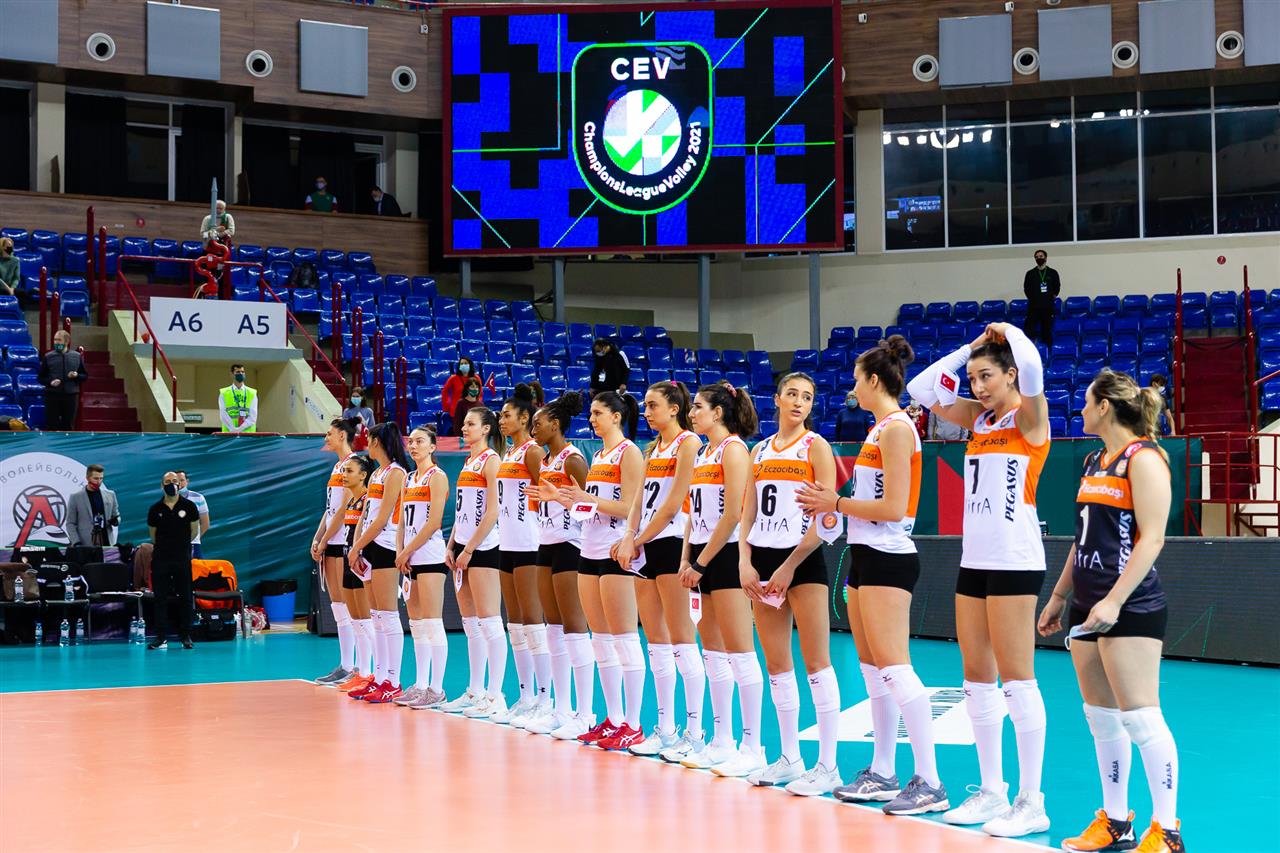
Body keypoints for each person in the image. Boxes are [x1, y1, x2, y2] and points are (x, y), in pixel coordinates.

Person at [907, 321, 1052, 838]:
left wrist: (1008, 330)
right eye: (972, 379)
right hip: (976, 559)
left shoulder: (1030, 418)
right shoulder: (978, 420)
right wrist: (968, 349)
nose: (978, 386)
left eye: (987, 375)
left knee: (1017, 678)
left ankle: (1031, 800)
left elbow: (1032, 365)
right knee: (976, 678)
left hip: (1016, 559)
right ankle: (992, 790)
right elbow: (921, 388)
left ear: (1011, 375)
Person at [800, 338, 948, 815]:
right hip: (863, 555)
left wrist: (836, 502)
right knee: (873, 671)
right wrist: (832, 505)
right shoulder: (878, 429)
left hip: (889, 557)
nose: (853, 388)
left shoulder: (898, 429)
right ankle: (883, 772)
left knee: (896, 668)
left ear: (875, 381)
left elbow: (894, 507)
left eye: (857, 380)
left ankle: (930, 780)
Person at [1039, 370, 1183, 853]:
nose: (1080, 410)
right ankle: (1117, 824)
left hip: (1130, 606)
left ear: (1104, 407)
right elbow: (1082, 539)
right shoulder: (1092, 460)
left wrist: (1115, 599)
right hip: (1086, 605)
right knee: (1100, 718)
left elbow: (1153, 539)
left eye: (1086, 403)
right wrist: (1060, 596)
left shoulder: (1145, 460)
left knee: (1141, 718)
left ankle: (1168, 832)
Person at [741, 373, 843, 796]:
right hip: (762, 559)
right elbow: (748, 511)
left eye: (808, 397)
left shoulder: (815, 446)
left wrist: (789, 565)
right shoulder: (760, 450)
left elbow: (826, 516)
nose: (800, 402)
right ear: (778, 399)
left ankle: (829, 765)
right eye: (793, 394)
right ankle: (790, 757)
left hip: (802, 558)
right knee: (777, 665)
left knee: (817, 662)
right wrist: (745, 560)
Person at [540, 391, 645, 750]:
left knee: (624, 639)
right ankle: (613, 719)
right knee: (600, 641)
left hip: (616, 550)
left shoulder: (629, 452)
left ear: (616, 416)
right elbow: (591, 507)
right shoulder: (599, 455)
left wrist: (589, 499)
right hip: (589, 547)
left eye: (599, 413)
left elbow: (630, 507)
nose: (592, 419)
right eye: (592, 414)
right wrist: (563, 498)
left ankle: (633, 723)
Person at [678, 382, 763, 777]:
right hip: (700, 555)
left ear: (718, 412)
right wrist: (686, 558)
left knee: (740, 652)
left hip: (726, 555)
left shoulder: (734, 449)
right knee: (713, 653)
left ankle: (753, 747)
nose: (692, 413)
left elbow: (733, 514)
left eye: (698, 407)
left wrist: (701, 562)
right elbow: (692, 514)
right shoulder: (703, 453)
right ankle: (722, 741)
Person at [614, 381, 703, 759]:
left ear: (674, 408)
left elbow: (672, 504)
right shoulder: (654, 448)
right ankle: (665, 729)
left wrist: (637, 539)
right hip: (645, 545)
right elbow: (639, 500)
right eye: (646, 406)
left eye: (653, 405)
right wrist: (629, 535)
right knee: (657, 643)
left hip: (671, 543)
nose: (647, 412)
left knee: (682, 639)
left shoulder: (688, 443)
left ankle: (695, 733)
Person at [523, 393, 593, 738]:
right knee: (553, 628)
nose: (533, 429)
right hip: (546, 543)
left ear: (555, 424)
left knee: (574, 627)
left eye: (538, 423)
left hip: (570, 545)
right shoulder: (545, 461)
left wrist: (562, 501)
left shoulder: (573, 459)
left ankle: (585, 713)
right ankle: (561, 709)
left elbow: (590, 508)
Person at [440, 407, 506, 717]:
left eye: (470, 424)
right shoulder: (469, 461)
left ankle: (495, 696)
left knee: (490, 622)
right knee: (471, 624)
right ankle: (475, 690)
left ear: (486, 428)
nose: (464, 428)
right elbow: (463, 510)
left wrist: (470, 548)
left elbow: (492, 511)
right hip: (463, 547)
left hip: (484, 548)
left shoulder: (492, 461)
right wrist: (452, 544)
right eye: (464, 423)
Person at [494, 385, 549, 726]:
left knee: (532, 621)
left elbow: (549, 492)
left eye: (507, 415)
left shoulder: (532, 452)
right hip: (507, 544)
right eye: (500, 416)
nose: (501, 420)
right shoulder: (508, 454)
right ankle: (526, 696)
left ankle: (545, 699)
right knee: (515, 624)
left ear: (525, 418)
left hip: (529, 542)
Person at [347, 422, 410, 704]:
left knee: (388, 615)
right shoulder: (377, 473)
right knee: (376, 617)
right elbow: (366, 514)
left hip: (385, 546)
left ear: (378, 442)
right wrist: (356, 547)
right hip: (369, 546)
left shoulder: (396, 472)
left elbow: (384, 518)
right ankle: (380, 677)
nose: (365, 443)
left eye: (369, 439)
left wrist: (357, 547)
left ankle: (393, 682)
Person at [394, 425, 450, 710]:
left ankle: (436, 689)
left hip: (429, 557)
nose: (413, 446)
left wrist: (407, 551)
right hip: (409, 559)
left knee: (431, 622)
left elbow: (434, 522)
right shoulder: (409, 478)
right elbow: (402, 521)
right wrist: (400, 551)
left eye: (419, 441)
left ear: (432, 446)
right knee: (416, 625)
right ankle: (420, 684)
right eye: (411, 442)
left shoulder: (437, 477)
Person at [310, 418, 360, 687]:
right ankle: (346, 664)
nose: (326, 438)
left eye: (329, 434)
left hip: (343, 541)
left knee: (350, 607)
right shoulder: (337, 467)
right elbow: (330, 509)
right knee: (338, 607)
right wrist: (318, 537)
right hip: (331, 540)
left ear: (342, 435)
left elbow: (344, 510)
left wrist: (326, 539)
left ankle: (357, 666)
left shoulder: (353, 464)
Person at [335, 455, 379, 695]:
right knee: (356, 622)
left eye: (350, 471)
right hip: (347, 559)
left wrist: (359, 553)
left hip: (361, 561)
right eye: (344, 471)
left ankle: (376, 674)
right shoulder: (351, 501)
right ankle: (362, 672)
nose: (345, 475)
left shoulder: (367, 499)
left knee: (367, 620)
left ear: (363, 475)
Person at [146, 472, 200, 651]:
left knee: (185, 597)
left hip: (182, 558)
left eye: (175, 481)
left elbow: (194, 531)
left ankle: (186, 636)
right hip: (161, 559)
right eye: (168, 482)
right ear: (162, 486)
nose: (172, 484)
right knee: (160, 598)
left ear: (180, 484)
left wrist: (180, 545)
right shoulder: (155, 509)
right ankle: (161, 637)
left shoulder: (189, 506)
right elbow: (153, 535)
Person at [39, 329, 87, 431]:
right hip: (52, 395)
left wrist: (76, 375)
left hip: (71, 395)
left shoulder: (76, 356)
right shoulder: (48, 357)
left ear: (66, 341)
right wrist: (50, 382)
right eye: (55, 340)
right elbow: (40, 378)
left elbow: (84, 376)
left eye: (59, 340)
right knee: (52, 425)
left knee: (68, 425)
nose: (56, 342)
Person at [65, 463, 119, 547]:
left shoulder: (110, 495)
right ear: (87, 478)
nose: (99, 482)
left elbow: (117, 516)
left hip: (107, 541)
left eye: (101, 478)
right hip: (86, 544)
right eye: (96, 478)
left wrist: (116, 521)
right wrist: (76, 542)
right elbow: (70, 523)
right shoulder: (75, 497)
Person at [1022, 249, 1061, 347]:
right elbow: (1026, 288)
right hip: (1034, 307)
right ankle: (1030, 349)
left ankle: (1048, 350)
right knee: (1029, 329)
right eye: (1037, 257)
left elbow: (1057, 287)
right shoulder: (1030, 273)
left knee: (1047, 331)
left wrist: (1051, 297)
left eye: (1041, 256)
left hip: (1047, 307)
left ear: (1046, 258)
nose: (1039, 258)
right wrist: (1033, 299)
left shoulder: (1053, 272)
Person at [174, 470, 210, 558]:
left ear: (187, 481)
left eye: (182, 480)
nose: (180, 483)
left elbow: (205, 524)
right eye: (176, 481)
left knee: (195, 566)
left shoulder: (198, 498)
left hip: (193, 545)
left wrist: (194, 538)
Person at [218, 364, 258, 433]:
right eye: (238, 372)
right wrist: (233, 429)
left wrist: (239, 429)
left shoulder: (252, 393)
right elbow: (223, 415)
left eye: (242, 372)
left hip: (247, 434)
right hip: (229, 433)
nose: (241, 374)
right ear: (232, 374)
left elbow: (253, 417)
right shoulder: (224, 393)